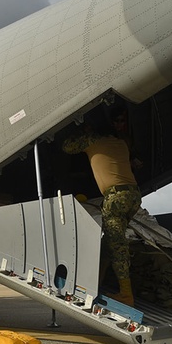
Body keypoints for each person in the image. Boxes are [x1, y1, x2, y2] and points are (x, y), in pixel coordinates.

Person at [63, 123, 141, 306]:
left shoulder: (93, 140)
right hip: (133, 195)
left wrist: (80, 132)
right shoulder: (121, 143)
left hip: (115, 197)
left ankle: (126, 295)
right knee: (110, 242)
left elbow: (67, 147)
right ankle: (96, 283)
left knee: (117, 246)